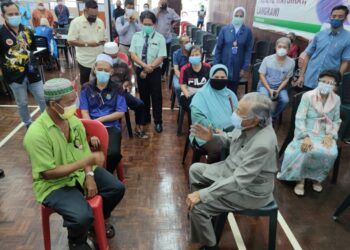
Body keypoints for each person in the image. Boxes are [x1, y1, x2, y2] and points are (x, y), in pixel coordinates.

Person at [23, 78, 125, 250]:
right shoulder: (36, 134)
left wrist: (89, 175)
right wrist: (85, 162)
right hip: (54, 185)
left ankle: (95, 222)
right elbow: (48, 173)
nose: (74, 105)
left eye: (75, 99)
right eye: (70, 102)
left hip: (79, 173)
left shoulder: (74, 122)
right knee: (81, 216)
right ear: (54, 105)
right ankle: (77, 240)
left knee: (116, 188)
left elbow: (83, 150)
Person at [187, 92, 278, 250]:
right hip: (231, 172)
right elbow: (230, 139)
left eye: (240, 113)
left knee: (199, 206)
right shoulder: (248, 124)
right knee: (195, 170)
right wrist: (212, 137)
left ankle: (210, 245)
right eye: (237, 109)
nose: (235, 114)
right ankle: (205, 217)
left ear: (255, 119)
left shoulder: (263, 143)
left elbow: (240, 181)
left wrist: (203, 195)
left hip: (250, 191)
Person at [278, 70, 342, 196]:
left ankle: (315, 178)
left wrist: (331, 135)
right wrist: (305, 137)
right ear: (318, 81)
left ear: (335, 85)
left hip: (325, 132)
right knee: (307, 149)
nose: (326, 84)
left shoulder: (337, 99)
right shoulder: (308, 96)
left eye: (330, 83)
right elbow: (300, 118)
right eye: (323, 81)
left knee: (331, 152)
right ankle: (300, 180)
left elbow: (336, 120)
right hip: (307, 130)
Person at [0, 1, 46, 128]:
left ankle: (47, 121)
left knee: (43, 98)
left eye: (16, 13)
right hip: (14, 76)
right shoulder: (1, 33)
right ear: (3, 15)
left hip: (32, 72)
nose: (14, 16)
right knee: (22, 103)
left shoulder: (27, 31)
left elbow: (33, 50)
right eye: (10, 14)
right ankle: (28, 124)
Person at [80, 54, 127, 174]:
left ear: (111, 72)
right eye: (99, 69)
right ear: (94, 69)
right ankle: (88, 175)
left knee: (113, 154)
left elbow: (120, 112)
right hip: (90, 126)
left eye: (106, 70)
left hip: (111, 127)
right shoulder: (86, 88)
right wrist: (92, 130)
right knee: (78, 151)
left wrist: (99, 121)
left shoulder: (118, 88)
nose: (102, 72)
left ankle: (105, 175)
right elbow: (84, 112)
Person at [190, 64, 238, 163]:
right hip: (205, 133)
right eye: (216, 77)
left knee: (240, 145)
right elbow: (197, 118)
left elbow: (238, 114)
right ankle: (211, 174)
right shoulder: (201, 95)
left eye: (222, 77)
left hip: (228, 133)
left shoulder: (230, 95)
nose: (219, 79)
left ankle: (229, 172)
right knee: (219, 149)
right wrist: (215, 130)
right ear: (210, 77)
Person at [296, 5, 350, 91]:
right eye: (334, 16)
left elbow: (345, 62)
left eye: (340, 16)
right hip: (309, 79)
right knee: (304, 103)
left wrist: (337, 81)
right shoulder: (319, 34)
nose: (336, 18)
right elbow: (308, 56)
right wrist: (301, 76)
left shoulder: (348, 38)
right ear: (330, 16)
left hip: (328, 83)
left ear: (345, 18)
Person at [130, 11, 167, 133]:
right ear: (141, 23)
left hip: (155, 70)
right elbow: (133, 54)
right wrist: (144, 66)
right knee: (143, 95)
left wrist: (149, 67)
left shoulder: (160, 38)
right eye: (145, 24)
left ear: (154, 24)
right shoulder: (136, 36)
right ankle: (146, 117)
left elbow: (161, 56)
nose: (147, 26)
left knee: (156, 97)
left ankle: (158, 121)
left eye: (149, 24)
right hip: (141, 68)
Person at [103, 42, 148, 138]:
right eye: (110, 56)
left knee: (139, 104)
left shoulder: (122, 65)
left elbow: (128, 80)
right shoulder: (99, 66)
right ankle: (105, 130)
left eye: (114, 56)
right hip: (103, 96)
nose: (112, 58)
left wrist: (124, 85)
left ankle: (138, 128)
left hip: (120, 93)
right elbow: (92, 83)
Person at [214, 7, 253, 93]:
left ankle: (230, 106)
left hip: (237, 67)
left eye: (241, 16)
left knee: (232, 91)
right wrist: (216, 65)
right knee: (220, 89)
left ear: (244, 17)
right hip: (224, 64)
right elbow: (218, 48)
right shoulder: (225, 29)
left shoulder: (247, 31)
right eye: (236, 15)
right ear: (233, 16)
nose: (238, 17)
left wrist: (244, 68)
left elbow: (248, 51)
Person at [68, 0, 106, 86]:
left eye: (96, 15)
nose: (94, 17)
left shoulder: (100, 22)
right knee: (85, 83)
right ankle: (85, 98)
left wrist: (103, 42)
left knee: (99, 82)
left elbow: (104, 37)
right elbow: (70, 40)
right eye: (92, 15)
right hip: (85, 60)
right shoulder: (76, 22)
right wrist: (87, 44)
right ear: (85, 11)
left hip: (99, 59)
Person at [258, 37, 295, 120]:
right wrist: (269, 89)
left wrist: (278, 90)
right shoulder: (267, 59)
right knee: (264, 98)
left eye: (284, 47)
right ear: (275, 47)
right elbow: (261, 75)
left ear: (289, 49)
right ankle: (263, 117)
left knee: (285, 100)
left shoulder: (291, 62)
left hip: (280, 88)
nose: (282, 49)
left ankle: (273, 116)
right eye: (279, 46)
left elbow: (287, 79)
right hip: (265, 86)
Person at [152, 0, 180, 80]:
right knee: (155, 56)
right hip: (155, 39)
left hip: (167, 39)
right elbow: (152, 20)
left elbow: (178, 18)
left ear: (167, 3)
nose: (163, 4)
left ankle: (162, 74)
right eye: (162, 2)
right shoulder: (155, 10)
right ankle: (155, 72)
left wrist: (172, 25)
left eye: (164, 3)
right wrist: (158, 11)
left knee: (165, 57)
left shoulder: (171, 11)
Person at [179, 46, 210, 113]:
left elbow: (210, 83)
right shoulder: (184, 69)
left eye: (197, 55)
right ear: (189, 57)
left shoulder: (207, 67)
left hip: (203, 95)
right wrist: (188, 96)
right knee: (192, 108)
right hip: (189, 94)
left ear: (201, 56)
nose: (194, 57)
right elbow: (182, 85)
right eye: (192, 55)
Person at [172, 35, 191, 104]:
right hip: (180, 74)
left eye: (189, 42)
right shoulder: (176, 54)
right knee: (177, 87)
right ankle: (180, 102)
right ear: (181, 44)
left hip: (191, 74)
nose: (189, 44)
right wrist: (183, 79)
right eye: (186, 42)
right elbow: (176, 70)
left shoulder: (192, 52)